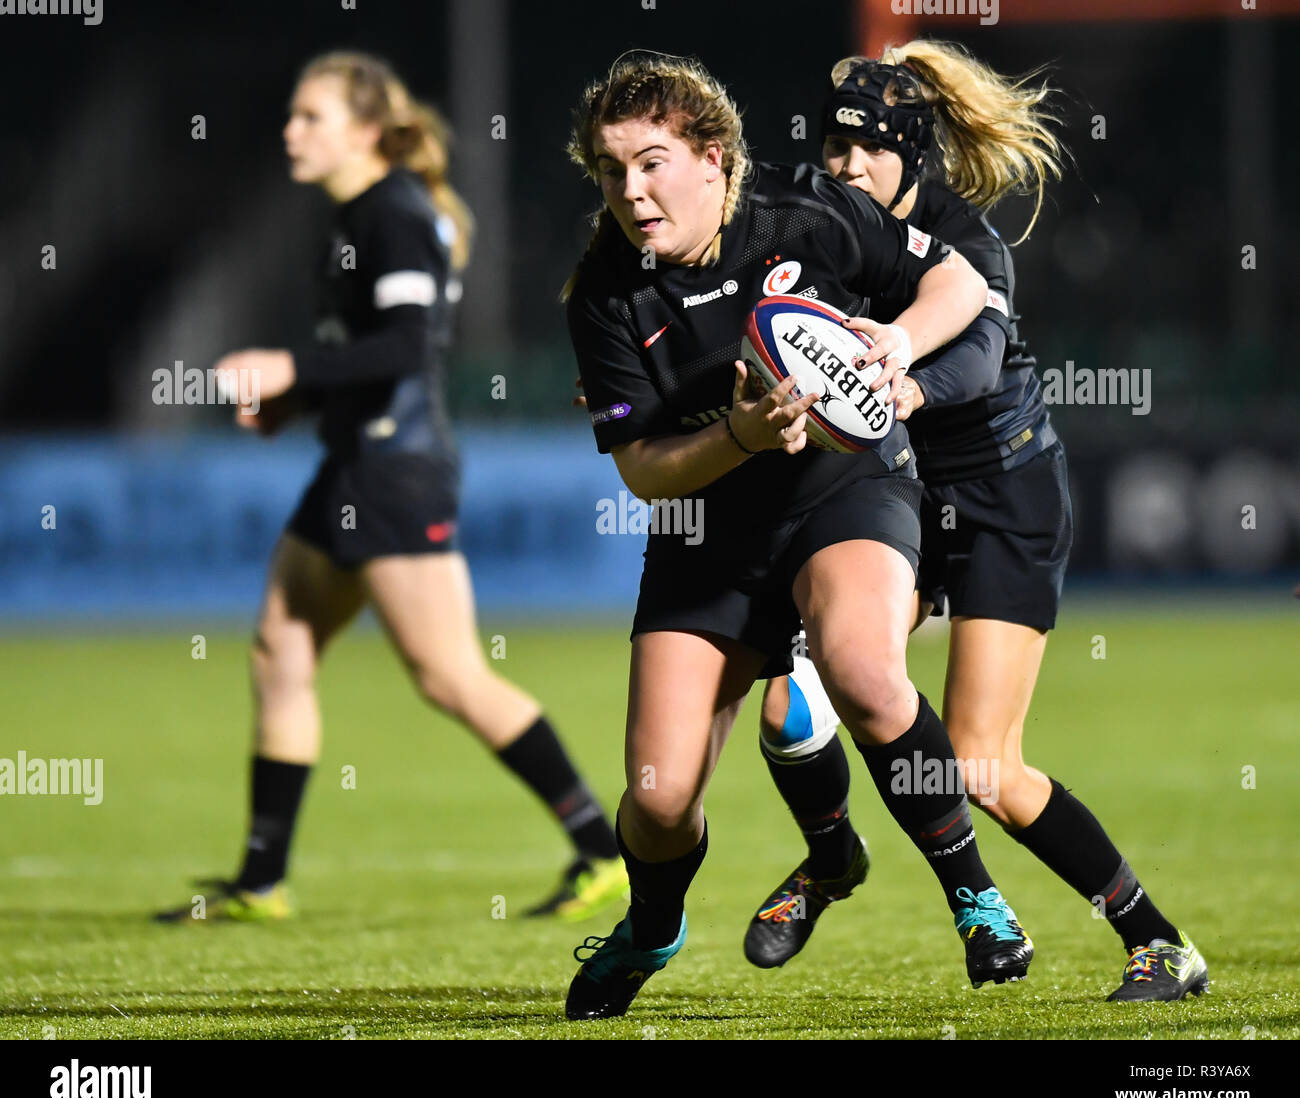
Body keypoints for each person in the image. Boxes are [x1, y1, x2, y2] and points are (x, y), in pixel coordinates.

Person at [562, 51, 1034, 1022]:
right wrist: (736, 435)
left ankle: (976, 898)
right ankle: (652, 926)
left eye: (651, 163)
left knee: (860, 668)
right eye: (611, 172)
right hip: (709, 531)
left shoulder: (807, 211)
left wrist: (898, 340)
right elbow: (644, 468)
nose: (631, 191)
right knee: (655, 796)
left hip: (844, 488)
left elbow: (956, 287)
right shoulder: (603, 293)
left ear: (715, 158)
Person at [745, 43, 1206, 1003]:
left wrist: (907, 382)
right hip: (899, 497)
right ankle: (832, 861)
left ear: (915, 155)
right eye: (834, 144)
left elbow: (983, 359)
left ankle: (1158, 941)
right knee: (794, 704)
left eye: (868, 148)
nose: (845, 165)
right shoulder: (828, 222)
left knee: (985, 767)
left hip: (1004, 500)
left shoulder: (969, 245)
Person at [157, 51, 627, 926]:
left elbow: (410, 351)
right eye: (292, 116)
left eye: (311, 117)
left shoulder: (396, 213)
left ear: (366, 130)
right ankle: (261, 880)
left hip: (392, 472)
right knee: (280, 648)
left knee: (450, 675)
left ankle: (604, 851)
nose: (291, 131)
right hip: (354, 461)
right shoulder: (355, 215)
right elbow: (370, 355)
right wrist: (300, 399)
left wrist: (287, 364)